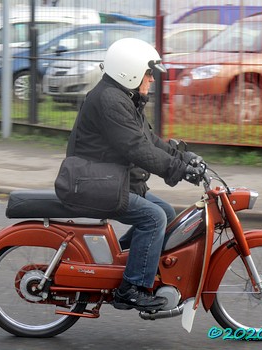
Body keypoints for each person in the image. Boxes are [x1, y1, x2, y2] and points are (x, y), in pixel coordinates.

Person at [66, 38, 204, 312]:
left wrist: (184, 158)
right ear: (129, 71)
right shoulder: (110, 101)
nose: (152, 80)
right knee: (153, 218)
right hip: (94, 183)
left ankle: (125, 263)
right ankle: (131, 288)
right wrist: (178, 171)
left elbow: (149, 140)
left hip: (110, 180)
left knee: (165, 211)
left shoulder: (123, 98)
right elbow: (135, 148)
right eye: (148, 73)